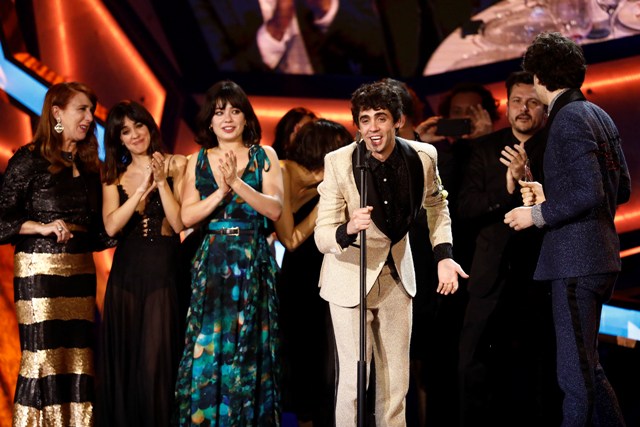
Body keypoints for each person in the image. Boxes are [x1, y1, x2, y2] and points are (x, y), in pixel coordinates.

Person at [314, 80, 467, 426]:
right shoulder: (339, 163)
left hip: (398, 279)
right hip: (350, 276)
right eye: (364, 120)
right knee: (355, 383)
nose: (372, 128)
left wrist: (444, 255)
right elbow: (322, 235)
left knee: (396, 385)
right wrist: (347, 228)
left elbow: (437, 206)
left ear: (397, 121)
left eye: (380, 118)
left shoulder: (424, 156)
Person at [505, 32, 630, 427]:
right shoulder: (598, 114)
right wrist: (550, 193)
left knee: (574, 378)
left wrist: (537, 215)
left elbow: (590, 191)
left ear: (540, 77)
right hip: (597, 257)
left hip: (578, 260)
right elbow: (619, 188)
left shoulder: (569, 118)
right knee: (587, 370)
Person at [0, 82, 112, 426]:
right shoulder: (28, 159)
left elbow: (97, 231)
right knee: (43, 357)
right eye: (82, 109)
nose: (90, 118)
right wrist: (41, 227)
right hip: (38, 270)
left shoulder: (92, 168)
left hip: (80, 272)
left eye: (91, 111)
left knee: (78, 357)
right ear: (57, 113)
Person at [175, 80, 284, 426]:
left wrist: (237, 184)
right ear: (209, 120)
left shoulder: (264, 155)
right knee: (208, 345)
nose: (227, 118)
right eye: (220, 111)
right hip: (212, 261)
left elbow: (276, 209)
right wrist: (220, 192)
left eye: (235, 110)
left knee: (251, 343)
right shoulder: (198, 161)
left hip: (252, 258)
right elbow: (186, 216)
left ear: (246, 117)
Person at [457, 71, 561, 426]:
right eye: (517, 101)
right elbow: (467, 207)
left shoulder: (557, 145)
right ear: (506, 105)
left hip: (539, 276)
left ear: (544, 106)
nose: (524, 108)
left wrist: (528, 178)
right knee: (474, 369)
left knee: (537, 372)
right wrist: (507, 186)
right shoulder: (485, 148)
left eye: (532, 101)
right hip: (490, 276)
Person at [97, 100, 187, 427]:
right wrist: (138, 193)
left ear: (150, 126)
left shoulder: (177, 164)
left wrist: (160, 181)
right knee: (125, 364)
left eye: (139, 126)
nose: (135, 135)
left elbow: (178, 225)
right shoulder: (113, 176)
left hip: (164, 270)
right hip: (126, 274)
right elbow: (110, 226)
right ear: (118, 139)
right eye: (125, 131)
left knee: (157, 365)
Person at [275, 118, 351, 427]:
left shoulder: (328, 184)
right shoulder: (282, 172)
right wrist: (324, 201)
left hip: (322, 275)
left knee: (321, 359)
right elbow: (289, 239)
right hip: (294, 276)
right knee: (299, 356)